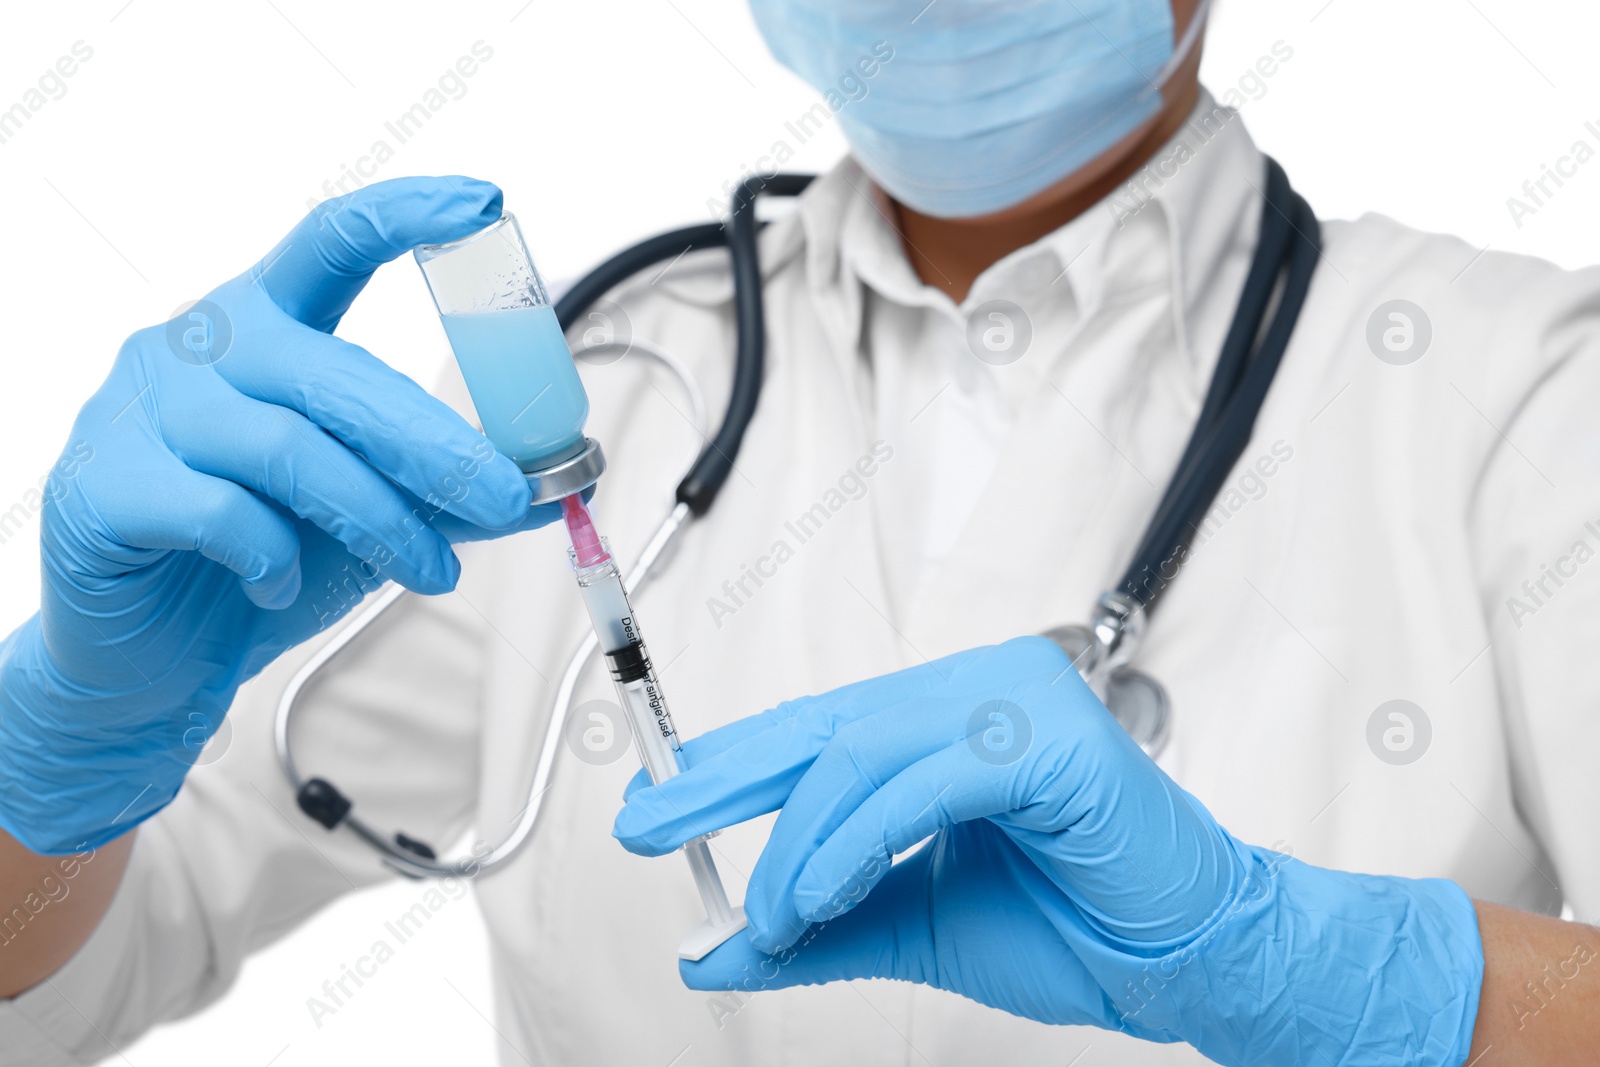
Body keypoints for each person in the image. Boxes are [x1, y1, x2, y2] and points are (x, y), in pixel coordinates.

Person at [2, 0, 1599, 1063]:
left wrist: (1361, 980)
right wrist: (57, 764)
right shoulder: (601, 380)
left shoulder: (1525, 392)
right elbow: (74, 978)